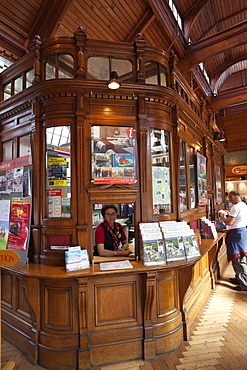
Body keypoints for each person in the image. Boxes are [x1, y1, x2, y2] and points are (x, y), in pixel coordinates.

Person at [219, 191, 247, 291]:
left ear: (233, 197)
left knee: (238, 259)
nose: (229, 200)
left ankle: (244, 284)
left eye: (230, 198)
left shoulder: (235, 207)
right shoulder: (243, 205)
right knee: (239, 258)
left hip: (236, 234)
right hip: (241, 233)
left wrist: (223, 217)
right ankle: (239, 278)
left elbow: (230, 222)